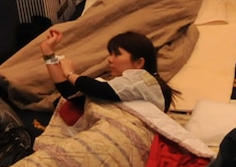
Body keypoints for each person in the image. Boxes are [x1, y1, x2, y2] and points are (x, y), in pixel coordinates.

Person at [37, 27, 173, 111]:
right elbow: (72, 94)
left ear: (139, 63)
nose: (110, 59)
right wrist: (48, 52)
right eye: (110, 54)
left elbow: (98, 89)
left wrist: (69, 74)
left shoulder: (144, 83)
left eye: (117, 54)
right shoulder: (123, 89)